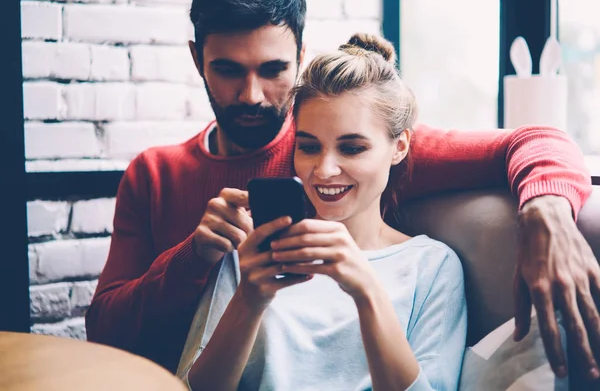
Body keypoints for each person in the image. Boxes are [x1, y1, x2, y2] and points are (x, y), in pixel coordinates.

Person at [86, 0, 599, 381]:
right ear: (198, 58)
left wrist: (546, 214)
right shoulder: (154, 176)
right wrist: (195, 259)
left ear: (300, 55)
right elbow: (103, 332)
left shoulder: (353, 145)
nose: (253, 96)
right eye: (227, 70)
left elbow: (535, 140)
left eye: (273, 70)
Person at [178, 33, 467, 391]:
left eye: (352, 148)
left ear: (400, 146)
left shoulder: (431, 266)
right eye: (309, 147)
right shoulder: (251, 256)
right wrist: (250, 298)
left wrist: (366, 290)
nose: (324, 170)